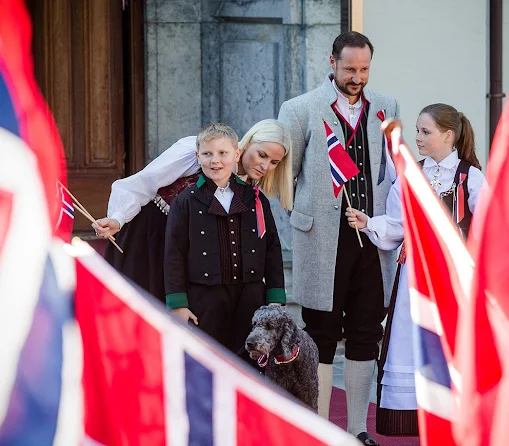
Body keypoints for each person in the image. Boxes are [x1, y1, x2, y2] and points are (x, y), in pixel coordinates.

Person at [278, 31, 399, 445]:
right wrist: (303, 215)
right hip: (323, 241)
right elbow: (282, 174)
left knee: (367, 330)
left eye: (364, 69)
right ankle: (320, 429)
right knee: (322, 333)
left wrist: (386, 221)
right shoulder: (300, 109)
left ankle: (357, 429)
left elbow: (390, 170)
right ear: (332, 63)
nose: (357, 77)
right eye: (350, 68)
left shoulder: (387, 106)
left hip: (371, 235)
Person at [347, 103, 486, 436]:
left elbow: (487, 224)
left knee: (453, 343)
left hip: (453, 278)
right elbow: (398, 224)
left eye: (425, 132)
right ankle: (414, 418)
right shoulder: (411, 174)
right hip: (415, 276)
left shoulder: (469, 176)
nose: (418, 138)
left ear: (448, 135)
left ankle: (458, 418)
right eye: (417, 131)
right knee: (411, 340)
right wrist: (369, 223)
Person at [92, 119, 293, 302]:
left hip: (191, 254)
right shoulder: (196, 149)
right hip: (151, 236)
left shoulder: (250, 192)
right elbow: (146, 181)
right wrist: (118, 218)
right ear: (246, 145)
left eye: (274, 162)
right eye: (262, 155)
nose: (265, 166)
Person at [163, 123, 285, 363]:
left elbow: (272, 248)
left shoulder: (255, 199)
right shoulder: (185, 202)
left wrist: (275, 297)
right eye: (207, 154)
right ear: (198, 157)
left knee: (249, 365)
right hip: (204, 300)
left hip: (250, 298)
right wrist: (177, 303)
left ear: (237, 154)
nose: (215, 161)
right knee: (206, 362)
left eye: (222, 154)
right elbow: (173, 253)